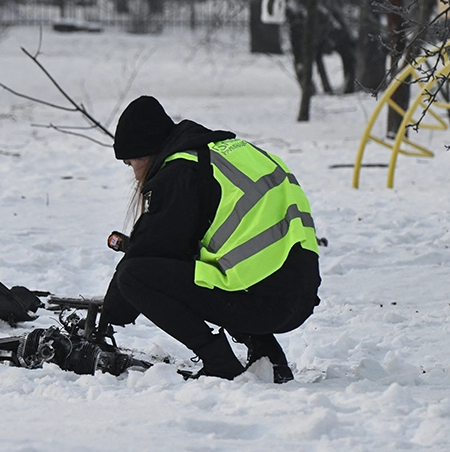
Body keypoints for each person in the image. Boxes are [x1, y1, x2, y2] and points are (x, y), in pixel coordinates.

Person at [101, 96, 320, 381]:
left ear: (146, 152)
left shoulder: (181, 172)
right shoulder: (224, 153)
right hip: (298, 295)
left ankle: (220, 364)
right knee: (214, 265)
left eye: (131, 163)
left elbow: (149, 249)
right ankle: (269, 357)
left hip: (267, 303)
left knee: (134, 276)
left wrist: (112, 312)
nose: (133, 173)